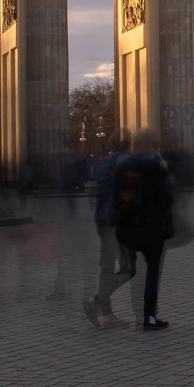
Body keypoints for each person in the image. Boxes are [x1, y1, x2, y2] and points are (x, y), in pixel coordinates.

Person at [112, 130, 173, 330]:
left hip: (127, 226)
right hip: (152, 228)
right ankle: (149, 317)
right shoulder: (155, 166)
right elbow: (165, 198)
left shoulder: (122, 166)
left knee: (132, 271)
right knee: (152, 273)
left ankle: (131, 309)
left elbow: (115, 197)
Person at [82, 131, 131, 329]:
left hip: (103, 220)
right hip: (118, 222)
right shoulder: (126, 162)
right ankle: (100, 305)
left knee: (107, 266)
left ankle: (104, 310)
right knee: (130, 268)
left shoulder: (103, 163)